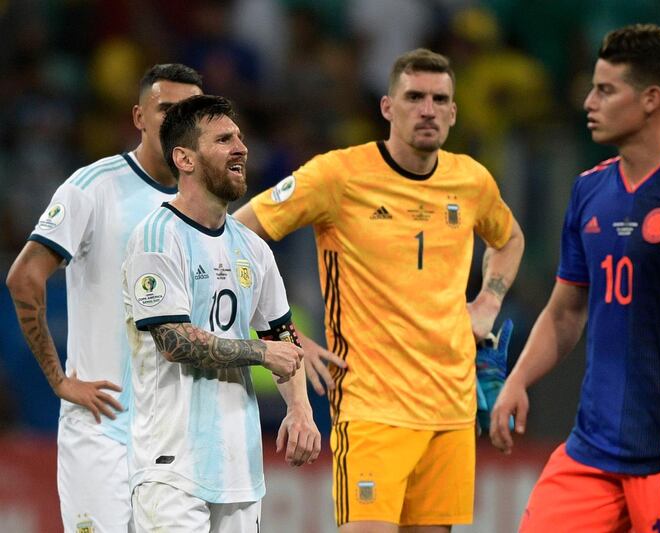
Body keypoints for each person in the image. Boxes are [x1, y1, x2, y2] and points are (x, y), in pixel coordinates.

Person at [234, 48, 524, 532]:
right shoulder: (338, 175)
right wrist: (285, 336)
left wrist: (489, 300)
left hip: (450, 410)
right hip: (372, 407)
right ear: (388, 107)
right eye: (414, 97)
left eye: (439, 99)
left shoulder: (470, 181)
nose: (427, 109)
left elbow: (510, 238)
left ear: (453, 111)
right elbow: (236, 238)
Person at [490, 24, 660, 532]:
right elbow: (565, 312)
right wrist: (517, 379)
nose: (588, 101)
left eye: (606, 90)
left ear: (651, 99)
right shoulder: (589, 189)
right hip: (590, 454)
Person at [5, 63, 203, 532]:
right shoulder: (95, 187)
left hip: (174, 433)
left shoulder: (204, 204)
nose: (178, 120)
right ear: (139, 117)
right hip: (102, 425)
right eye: (165, 109)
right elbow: (24, 276)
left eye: (190, 110)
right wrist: (58, 379)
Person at [123, 94, 320, 531]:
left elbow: (283, 334)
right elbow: (173, 340)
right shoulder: (157, 237)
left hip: (240, 472)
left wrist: (300, 410)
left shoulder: (254, 249)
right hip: (171, 468)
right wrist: (260, 352)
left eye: (241, 138)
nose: (241, 148)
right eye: (224, 139)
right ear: (185, 158)